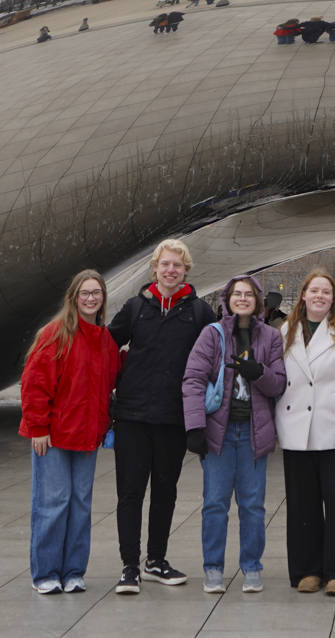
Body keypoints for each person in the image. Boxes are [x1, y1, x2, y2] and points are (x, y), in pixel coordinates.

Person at [108, 239, 217, 595]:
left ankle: (156, 560)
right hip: (132, 416)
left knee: (165, 492)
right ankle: (129, 566)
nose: (171, 271)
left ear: (186, 270)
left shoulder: (200, 312)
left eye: (178, 265)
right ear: (154, 268)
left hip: (174, 417)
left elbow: (218, 355)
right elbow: (105, 346)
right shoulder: (136, 307)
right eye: (165, 264)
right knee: (130, 492)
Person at [183, 275, 288, 595]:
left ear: (258, 301)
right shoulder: (211, 335)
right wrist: (195, 426)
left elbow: (279, 384)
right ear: (227, 299)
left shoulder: (270, 336)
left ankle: (252, 565)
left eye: (248, 294)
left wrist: (257, 372)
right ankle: (213, 567)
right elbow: (193, 380)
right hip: (220, 432)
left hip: (255, 433)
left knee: (253, 505)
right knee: (215, 503)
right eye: (236, 294)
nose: (242, 299)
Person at [19, 270, 120, 594]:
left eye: (96, 293)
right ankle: (46, 573)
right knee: (53, 503)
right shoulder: (55, 334)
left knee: (80, 504)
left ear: (103, 298)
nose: (91, 298)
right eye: (85, 293)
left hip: (87, 437)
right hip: (55, 437)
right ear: (74, 297)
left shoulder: (105, 340)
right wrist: (38, 427)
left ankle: (73, 571)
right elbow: (35, 384)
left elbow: (110, 383)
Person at [276, 268, 335, 596]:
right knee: (303, 504)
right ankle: (306, 570)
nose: (319, 296)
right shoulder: (286, 330)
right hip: (296, 430)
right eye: (313, 291)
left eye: (325, 292)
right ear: (303, 295)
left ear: (333, 299)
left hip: (334, 431)